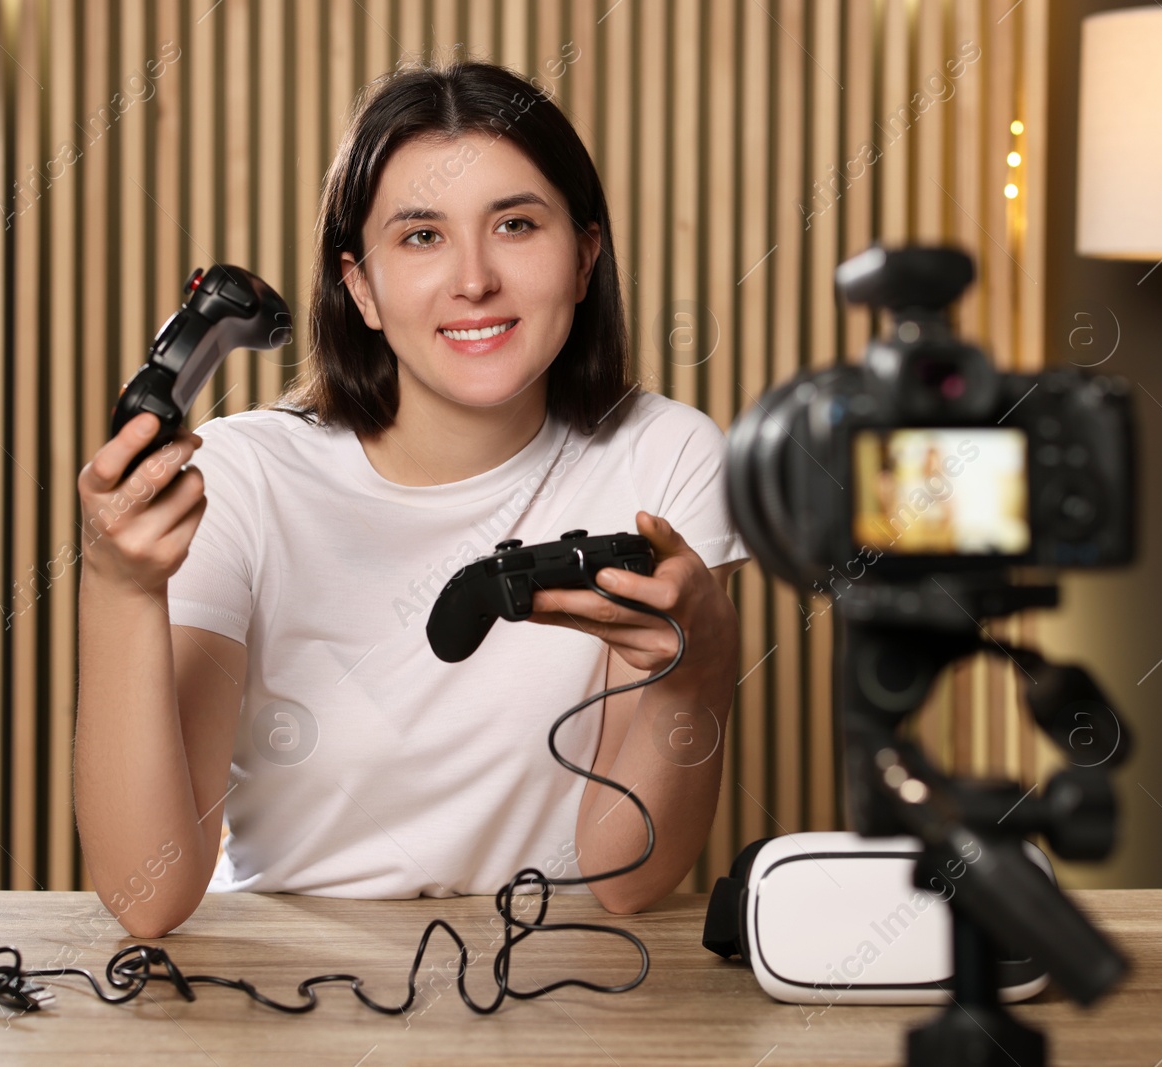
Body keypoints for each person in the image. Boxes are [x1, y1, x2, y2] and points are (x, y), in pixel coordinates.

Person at [75, 60, 751, 939]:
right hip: (289, 978)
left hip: (552, 980)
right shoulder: (243, 475)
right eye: (422, 236)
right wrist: (119, 587)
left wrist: (695, 670)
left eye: (515, 224)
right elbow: (146, 893)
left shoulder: (666, 457)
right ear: (360, 286)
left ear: (586, 256)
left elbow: (628, 876)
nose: (474, 280)